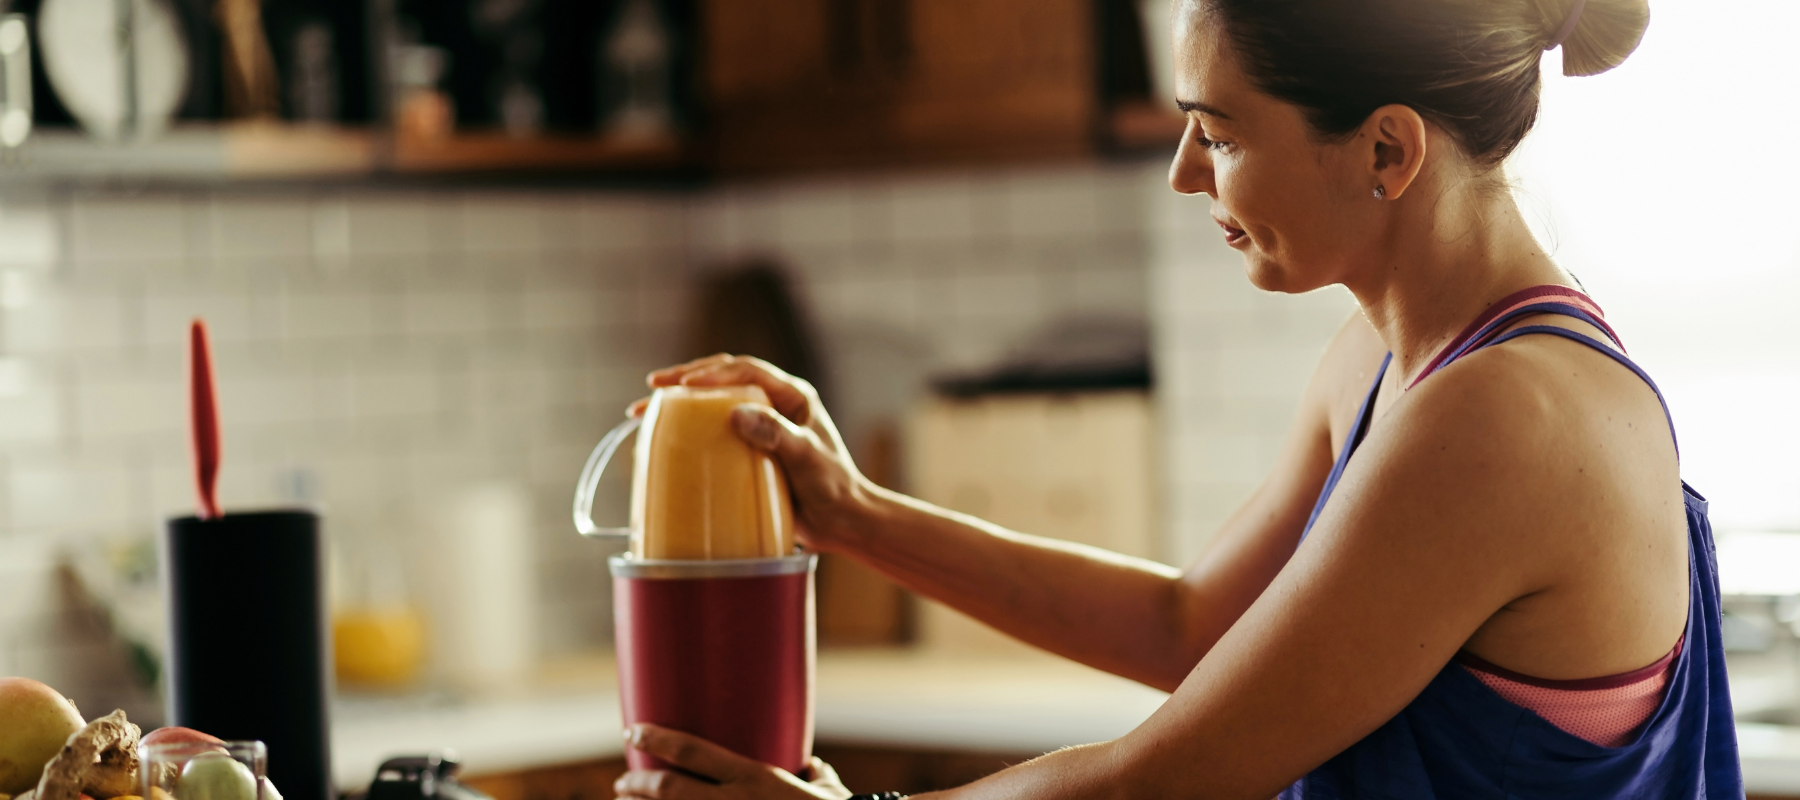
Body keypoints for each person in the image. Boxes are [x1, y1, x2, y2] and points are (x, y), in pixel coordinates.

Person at [612, 0, 1742, 796]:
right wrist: (853, 511)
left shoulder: (1505, 418)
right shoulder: (1386, 357)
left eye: (1220, 131)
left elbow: (1166, 780)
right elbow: (1194, 626)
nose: (1187, 172)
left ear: (1387, 149)